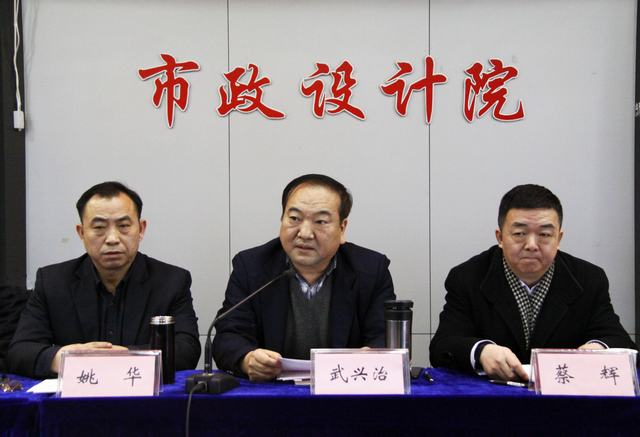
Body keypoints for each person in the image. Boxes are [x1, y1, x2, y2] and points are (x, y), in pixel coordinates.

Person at [430, 184, 636, 382]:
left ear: (559, 238)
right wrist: (481, 351)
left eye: (544, 234)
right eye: (519, 234)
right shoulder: (468, 277)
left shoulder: (589, 279)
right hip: (492, 398)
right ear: (500, 237)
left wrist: (598, 348)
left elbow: (620, 341)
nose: (531, 245)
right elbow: (442, 346)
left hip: (562, 398)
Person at [213, 174, 395, 381]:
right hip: (271, 392)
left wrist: (373, 355)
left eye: (320, 221)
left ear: (342, 228)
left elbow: (385, 336)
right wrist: (248, 360)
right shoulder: (251, 266)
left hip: (345, 390)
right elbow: (228, 336)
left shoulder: (371, 270)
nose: (305, 233)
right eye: (294, 218)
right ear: (282, 219)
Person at [8, 181, 201, 378]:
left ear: (141, 229)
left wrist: (128, 357)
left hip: (142, 393)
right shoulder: (52, 282)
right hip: (76, 395)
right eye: (99, 227)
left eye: (123, 226)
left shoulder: (171, 281)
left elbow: (187, 349)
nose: (112, 239)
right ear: (81, 232)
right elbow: (20, 351)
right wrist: (65, 358)